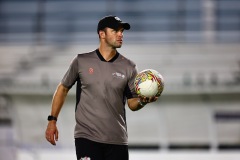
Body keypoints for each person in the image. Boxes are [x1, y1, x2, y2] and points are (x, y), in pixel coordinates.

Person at [45, 15, 158, 160]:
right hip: (86, 137)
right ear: (102, 34)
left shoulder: (129, 67)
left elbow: (132, 103)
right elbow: (63, 88)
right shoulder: (81, 61)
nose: (120, 34)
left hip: (117, 140)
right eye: (115, 31)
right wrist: (52, 120)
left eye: (122, 31)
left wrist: (143, 101)